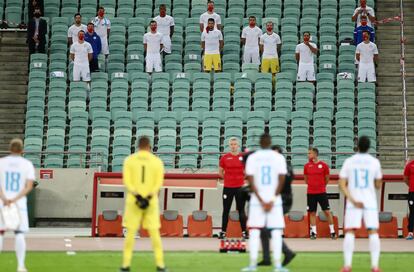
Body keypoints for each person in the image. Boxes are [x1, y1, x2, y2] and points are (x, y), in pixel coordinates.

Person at [242, 134, 288, 272]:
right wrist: (272, 199)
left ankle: (252, 264)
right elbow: (282, 179)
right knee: (276, 232)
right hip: (275, 201)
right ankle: (278, 265)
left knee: (254, 231)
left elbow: (250, 180)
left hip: (257, 201)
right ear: (270, 142)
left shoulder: (253, 157)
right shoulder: (278, 157)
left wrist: (261, 200)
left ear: (260, 142)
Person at [120, 136, 167, 272]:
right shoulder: (157, 162)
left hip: (133, 202)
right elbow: (158, 183)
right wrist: (148, 197)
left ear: (138, 146)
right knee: (154, 234)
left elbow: (127, 182)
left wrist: (138, 196)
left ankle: (125, 265)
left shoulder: (129, 160)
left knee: (130, 233)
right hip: (151, 202)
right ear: (149, 146)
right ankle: (160, 265)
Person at [339, 136, 382, 272]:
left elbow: (342, 184)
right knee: (373, 231)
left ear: (357, 146)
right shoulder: (374, 162)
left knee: (350, 231)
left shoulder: (349, 161)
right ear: (369, 147)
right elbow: (378, 184)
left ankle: (347, 265)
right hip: (369, 201)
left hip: (354, 202)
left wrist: (351, 199)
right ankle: (375, 266)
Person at [0, 138, 36, 272]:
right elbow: (29, 186)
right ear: (22, 150)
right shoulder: (27, 164)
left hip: (2, 202)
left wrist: (5, 198)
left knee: (0, 233)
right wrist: (15, 199)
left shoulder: (1, 163)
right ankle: (20, 266)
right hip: (19, 203)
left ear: (9, 149)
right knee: (19, 233)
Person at [258, 145, 296, 268]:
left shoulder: (284, 167)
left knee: (268, 228)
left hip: (283, 201)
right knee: (263, 229)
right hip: (275, 200)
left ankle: (287, 252)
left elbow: (285, 181)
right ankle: (266, 258)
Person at [218, 138, 248, 240]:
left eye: (235, 144)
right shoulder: (224, 158)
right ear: (229, 145)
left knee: (241, 210)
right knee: (226, 210)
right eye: (231, 144)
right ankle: (223, 232)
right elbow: (220, 172)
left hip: (240, 188)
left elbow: (247, 172)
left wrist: (240, 179)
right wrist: (227, 179)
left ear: (238, 145)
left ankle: (244, 232)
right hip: (228, 188)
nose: (233, 146)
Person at [304, 147, 336, 240]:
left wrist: (321, 186)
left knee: (327, 212)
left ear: (315, 154)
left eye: (309, 153)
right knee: (312, 213)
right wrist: (312, 185)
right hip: (310, 193)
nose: (308, 155)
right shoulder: (306, 166)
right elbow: (306, 179)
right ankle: (313, 232)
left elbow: (327, 178)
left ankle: (332, 232)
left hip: (321, 192)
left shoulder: (324, 166)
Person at [403, 160, 414, 240]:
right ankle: (410, 233)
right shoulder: (410, 164)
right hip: (412, 193)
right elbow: (405, 178)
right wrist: (411, 186)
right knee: (412, 212)